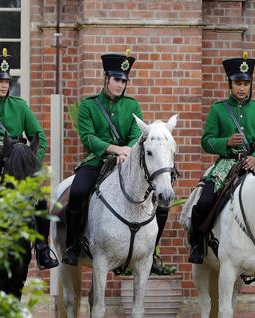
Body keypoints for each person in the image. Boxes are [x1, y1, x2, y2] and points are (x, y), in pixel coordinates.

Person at [62, 50, 174, 275]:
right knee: (77, 192)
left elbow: (137, 134)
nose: (121, 85)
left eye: (124, 81)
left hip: (128, 162)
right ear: (106, 78)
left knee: (161, 201)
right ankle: (73, 246)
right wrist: (115, 150)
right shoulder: (88, 106)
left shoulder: (132, 106)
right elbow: (88, 137)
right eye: (116, 80)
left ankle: (151, 255)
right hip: (97, 160)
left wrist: (128, 152)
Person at [0, 50, 58, 270]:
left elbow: (39, 138)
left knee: (40, 200)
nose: (5, 85)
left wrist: (29, 162)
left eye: (7, 80)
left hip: (16, 168)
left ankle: (42, 250)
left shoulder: (20, 106)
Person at [188, 52, 255, 264]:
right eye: (238, 83)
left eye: (246, 83)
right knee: (203, 203)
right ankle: (197, 244)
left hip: (254, 166)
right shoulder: (218, 110)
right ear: (230, 84)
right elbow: (206, 141)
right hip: (226, 165)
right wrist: (226, 143)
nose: (242, 88)